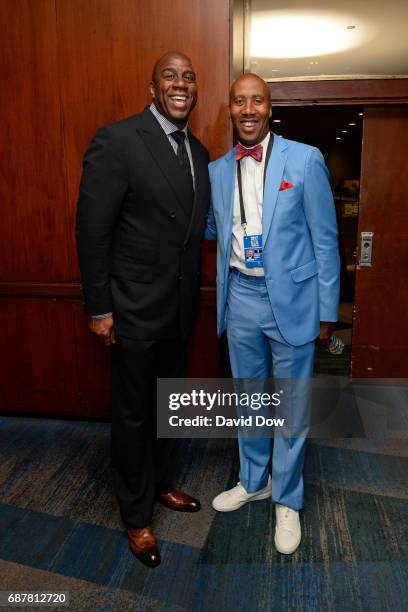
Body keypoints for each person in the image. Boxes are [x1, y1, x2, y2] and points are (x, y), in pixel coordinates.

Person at [76, 52, 210, 567]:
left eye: (188, 77)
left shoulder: (197, 152)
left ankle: (162, 484)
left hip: (177, 309)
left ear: (196, 89)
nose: (180, 84)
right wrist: (99, 307)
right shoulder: (119, 139)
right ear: (152, 87)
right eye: (170, 76)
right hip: (130, 310)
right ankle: (136, 516)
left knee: (168, 405)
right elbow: (92, 230)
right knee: (132, 415)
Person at [206, 74, 340, 554]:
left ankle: (287, 498)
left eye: (256, 100)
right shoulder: (218, 169)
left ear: (269, 107)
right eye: (239, 101)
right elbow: (213, 230)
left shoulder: (304, 159)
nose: (247, 109)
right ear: (231, 109)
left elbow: (326, 239)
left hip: (294, 300)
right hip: (239, 295)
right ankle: (253, 480)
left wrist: (328, 311)